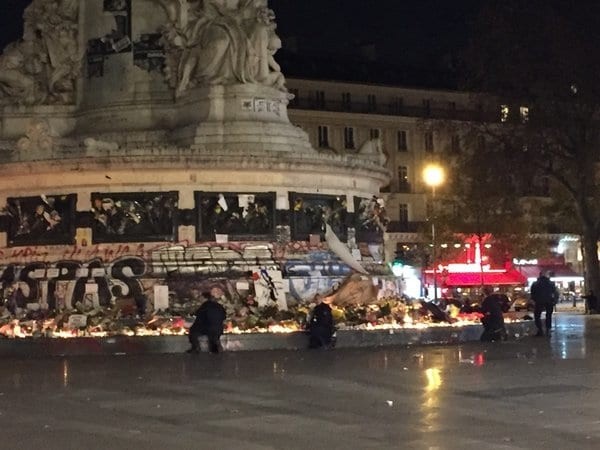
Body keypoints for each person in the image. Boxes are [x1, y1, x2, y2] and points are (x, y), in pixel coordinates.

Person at [530, 271, 559, 336]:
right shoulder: (551, 283)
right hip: (549, 301)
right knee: (548, 315)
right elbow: (555, 293)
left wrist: (535, 300)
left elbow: (532, 293)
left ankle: (540, 330)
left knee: (537, 316)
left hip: (539, 301)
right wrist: (555, 300)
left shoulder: (535, 284)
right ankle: (548, 329)